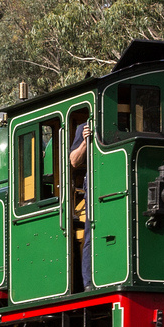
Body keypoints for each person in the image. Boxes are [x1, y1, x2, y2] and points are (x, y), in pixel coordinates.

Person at [69, 115, 93, 290]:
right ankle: (88, 282)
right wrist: (85, 142)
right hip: (93, 186)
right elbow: (74, 161)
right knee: (90, 233)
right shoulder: (83, 126)